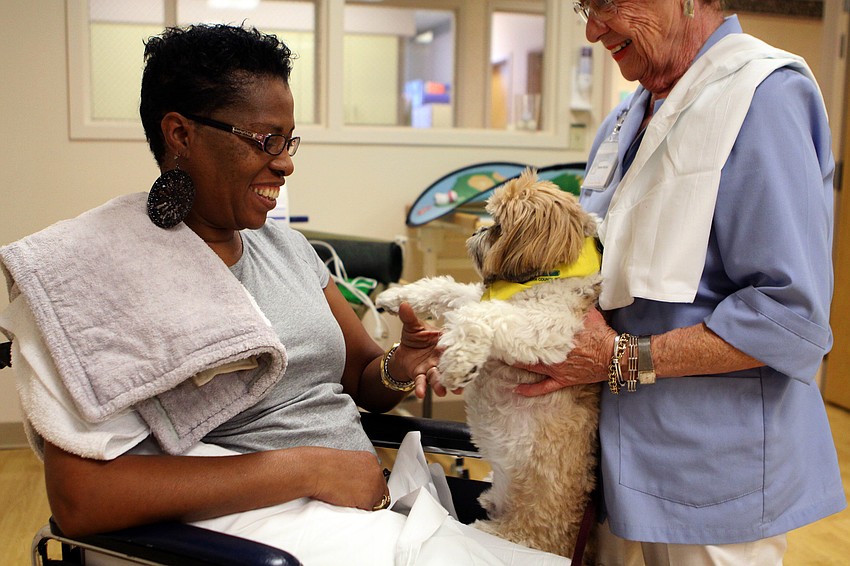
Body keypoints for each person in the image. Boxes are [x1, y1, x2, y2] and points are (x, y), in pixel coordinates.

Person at [0, 24, 567, 565]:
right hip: (260, 530)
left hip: (364, 505)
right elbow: (81, 503)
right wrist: (308, 470)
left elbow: (365, 379)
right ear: (180, 134)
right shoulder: (99, 274)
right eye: (265, 140)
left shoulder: (287, 248)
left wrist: (400, 363)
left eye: (289, 139)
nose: (286, 161)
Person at [514, 1, 847, 564]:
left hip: (712, 474)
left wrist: (618, 357)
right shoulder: (627, 117)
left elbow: (788, 317)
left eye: (605, 4)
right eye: (583, 8)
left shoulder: (763, 97)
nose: (593, 29)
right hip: (612, 462)